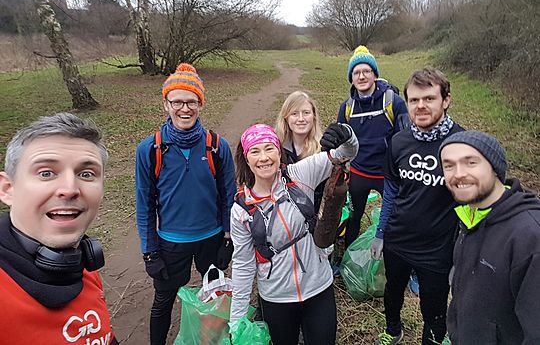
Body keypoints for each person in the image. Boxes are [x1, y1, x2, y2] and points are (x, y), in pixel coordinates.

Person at [230, 122, 358, 345]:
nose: (264, 158)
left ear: (279, 152)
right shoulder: (241, 209)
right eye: (255, 151)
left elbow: (346, 153)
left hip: (319, 287)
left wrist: (346, 134)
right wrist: (236, 321)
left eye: (269, 148)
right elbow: (243, 264)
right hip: (275, 297)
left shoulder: (300, 174)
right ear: (246, 159)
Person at [135, 63, 236, 345]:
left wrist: (228, 239)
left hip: (211, 238)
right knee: (163, 300)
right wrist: (149, 252)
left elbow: (229, 196)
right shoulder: (150, 149)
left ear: (200, 104)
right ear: (166, 104)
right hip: (170, 243)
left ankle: (212, 340)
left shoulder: (218, 146)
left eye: (191, 101)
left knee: (215, 297)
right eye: (177, 101)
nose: (184, 108)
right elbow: (144, 205)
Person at [0, 112, 118, 344]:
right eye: (46, 173)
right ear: (7, 189)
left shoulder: (82, 261)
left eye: (86, 174)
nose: (69, 188)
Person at [371, 68, 464, 345]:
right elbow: (391, 191)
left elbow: (474, 203)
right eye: (414, 100)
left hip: (437, 249)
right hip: (398, 239)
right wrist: (380, 232)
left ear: (445, 100)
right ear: (407, 103)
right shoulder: (399, 142)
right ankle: (393, 329)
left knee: (434, 309)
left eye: (429, 98)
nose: (421, 106)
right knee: (393, 292)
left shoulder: (461, 144)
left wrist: (465, 250)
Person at [439, 130, 540, 344]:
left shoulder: (530, 235)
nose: (458, 174)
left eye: (471, 163)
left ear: (495, 168)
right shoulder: (470, 214)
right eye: (449, 165)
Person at [337, 45, 408, 249]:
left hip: (387, 174)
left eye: (366, 71)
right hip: (359, 172)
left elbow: (405, 140)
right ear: (351, 78)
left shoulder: (394, 102)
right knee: (354, 216)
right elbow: (342, 142)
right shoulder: (347, 107)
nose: (361, 76)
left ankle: (395, 257)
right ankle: (348, 254)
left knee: (395, 217)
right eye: (356, 72)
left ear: (375, 74)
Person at [275, 90, 324, 209]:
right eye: (294, 113)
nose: (301, 119)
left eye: (306, 113)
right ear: (286, 118)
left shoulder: (323, 150)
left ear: (314, 116)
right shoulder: (276, 150)